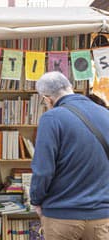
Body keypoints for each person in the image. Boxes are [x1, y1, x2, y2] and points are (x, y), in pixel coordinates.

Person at [30, 71, 109, 240]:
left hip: (62, 215)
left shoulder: (51, 118)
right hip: (101, 216)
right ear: (70, 88)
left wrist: (36, 200)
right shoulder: (106, 114)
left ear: (47, 99)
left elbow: (43, 169)